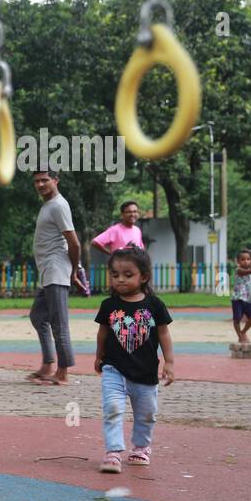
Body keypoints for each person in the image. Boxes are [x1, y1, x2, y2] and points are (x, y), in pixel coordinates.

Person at [94, 246, 174, 474]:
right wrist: (99, 355)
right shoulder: (108, 305)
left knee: (146, 414)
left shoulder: (154, 305)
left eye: (128, 275)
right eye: (115, 275)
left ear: (144, 277)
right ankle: (113, 452)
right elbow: (103, 333)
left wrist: (169, 362)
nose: (120, 280)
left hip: (146, 372)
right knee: (112, 408)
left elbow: (163, 334)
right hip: (114, 369)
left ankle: (141, 447)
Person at [27, 170, 85, 386]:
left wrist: (73, 271)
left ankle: (62, 372)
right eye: (37, 181)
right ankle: (48, 364)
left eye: (45, 180)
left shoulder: (59, 205)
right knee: (37, 316)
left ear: (55, 180)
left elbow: (74, 243)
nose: (40, 184)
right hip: (48, 272)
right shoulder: (48, 205)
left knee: (59, 324)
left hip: (57, 270)